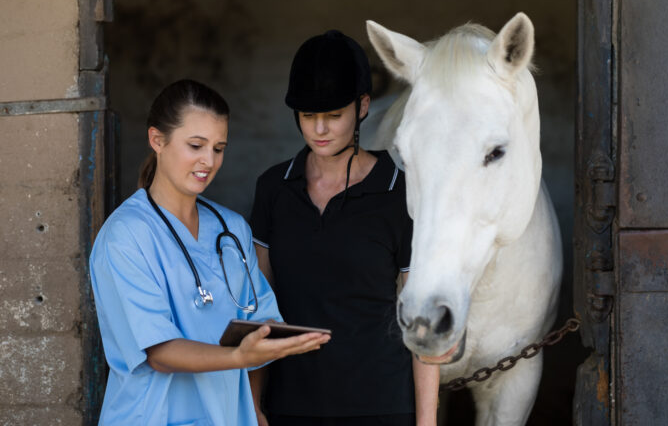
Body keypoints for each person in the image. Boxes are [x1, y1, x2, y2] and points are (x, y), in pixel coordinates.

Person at [90, 80, 330, 425]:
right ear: (157, 140)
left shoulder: (231, 229)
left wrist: (257, 402)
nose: (209, 161)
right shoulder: (126, 235)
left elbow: (260, 322)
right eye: (196, 145)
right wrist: (238, 355)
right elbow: (160, 353)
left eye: (218, 148)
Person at [250, 31, 440, 426]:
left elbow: (419, 323)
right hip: (290, 405)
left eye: (334, 115)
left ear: (363, 106)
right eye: (307, 116)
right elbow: (258, 310)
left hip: (382, 407)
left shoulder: (400, 191)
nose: (320, 129)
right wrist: (253, 407)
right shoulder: (273, 188)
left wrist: (426, 423)